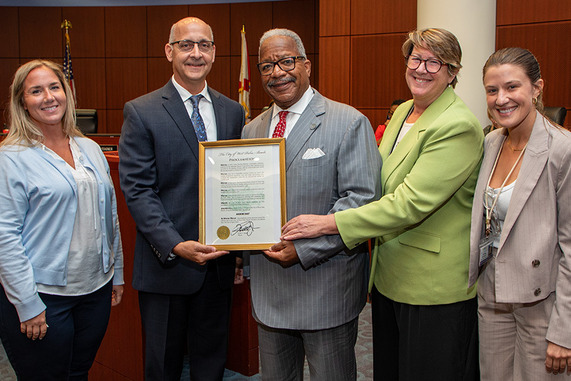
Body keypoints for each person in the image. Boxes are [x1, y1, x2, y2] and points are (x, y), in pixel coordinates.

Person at [281, 28, 483, 381]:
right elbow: (375, 181)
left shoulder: (457, 125)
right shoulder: (406, 111)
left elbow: (408, 205)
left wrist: (328, 223)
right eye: (415, 58)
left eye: (434, 62)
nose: (421, 68)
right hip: (390, 277)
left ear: (453, 72)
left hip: (432, 289)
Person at [242, 28, 381, 380]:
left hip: (325, 287)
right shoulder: (251, 131)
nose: (277, 72)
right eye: (266, 66)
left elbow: (361, 200)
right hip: (270, 287)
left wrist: (303, 249)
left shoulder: (348, 122)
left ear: (306, 65)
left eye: (286, 61)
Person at [118, 17, 245, 380]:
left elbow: (235, 185)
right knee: (162, 366)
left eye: (204, 45)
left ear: (215, 52)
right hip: (166, 266)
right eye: (186, 45)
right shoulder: (141, 111)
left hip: (218, 265)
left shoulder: (231, 111)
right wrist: (175, 245)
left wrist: (238, 251)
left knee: (211, 363)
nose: (196, 53)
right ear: (169, 51)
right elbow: (139, 190)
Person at [0, 59, 124, 380]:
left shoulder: (89, 148)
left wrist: (117, 272)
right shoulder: (11, 157)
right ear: (22, 103)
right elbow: (5, 236)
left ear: (67, 93)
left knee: (78, 373)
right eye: (36, 91)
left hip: (95, 289)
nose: (48, 97)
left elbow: (110, 216)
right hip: (43, 295)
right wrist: (27, 303)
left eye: (54, 87)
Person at [469, 47, 571, 380]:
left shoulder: (562, 150)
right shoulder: (492, 143)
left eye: (512, 87)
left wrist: (564, 331)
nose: (501, 99)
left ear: (537, 88)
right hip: (492, 293)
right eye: (492, 90)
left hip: (541, 301)